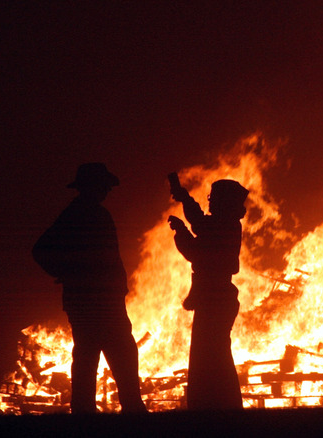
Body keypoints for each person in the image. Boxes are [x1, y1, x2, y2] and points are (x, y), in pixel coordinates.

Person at [32, 163, 147, 414]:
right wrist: (68, 272)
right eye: (103, 185)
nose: (107, 190)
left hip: (91, 299)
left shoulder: (81, 213)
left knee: (89, 354)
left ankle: (85, 411)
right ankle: (129, 409)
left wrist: (67, 272)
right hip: (98, 301)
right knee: (120, 353)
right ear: (92, 186)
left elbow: (42, 250)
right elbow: (40, 250)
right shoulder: (82, 214)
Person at [167, 176, 248, 410]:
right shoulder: (227, 224)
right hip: (218, 297)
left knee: (209, 357)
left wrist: (181, 231)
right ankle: (223, 406)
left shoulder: (223, 226)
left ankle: (215, 406)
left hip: (215, 298)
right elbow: (199, 222)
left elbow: (196, 248)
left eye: (213, 199)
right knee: (215, 355)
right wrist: (183, 198)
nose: (210, 203)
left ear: (224, 203)